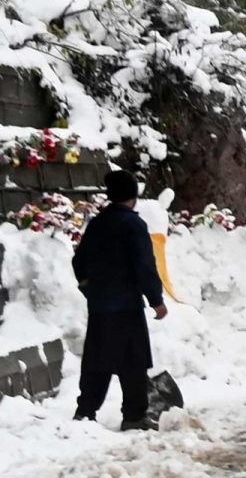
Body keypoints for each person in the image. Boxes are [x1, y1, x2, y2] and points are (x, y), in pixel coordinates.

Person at [72, 167, 167, 429]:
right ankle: (134, 416)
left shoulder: (97, 223)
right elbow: (144, 266)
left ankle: (85, 411)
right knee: (132, 362)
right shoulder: (133, 225)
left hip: (101, 306)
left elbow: (79, 260)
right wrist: (156, 300)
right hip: (126, 306)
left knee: (97, 360)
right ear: (133, 196)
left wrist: (89, 288)